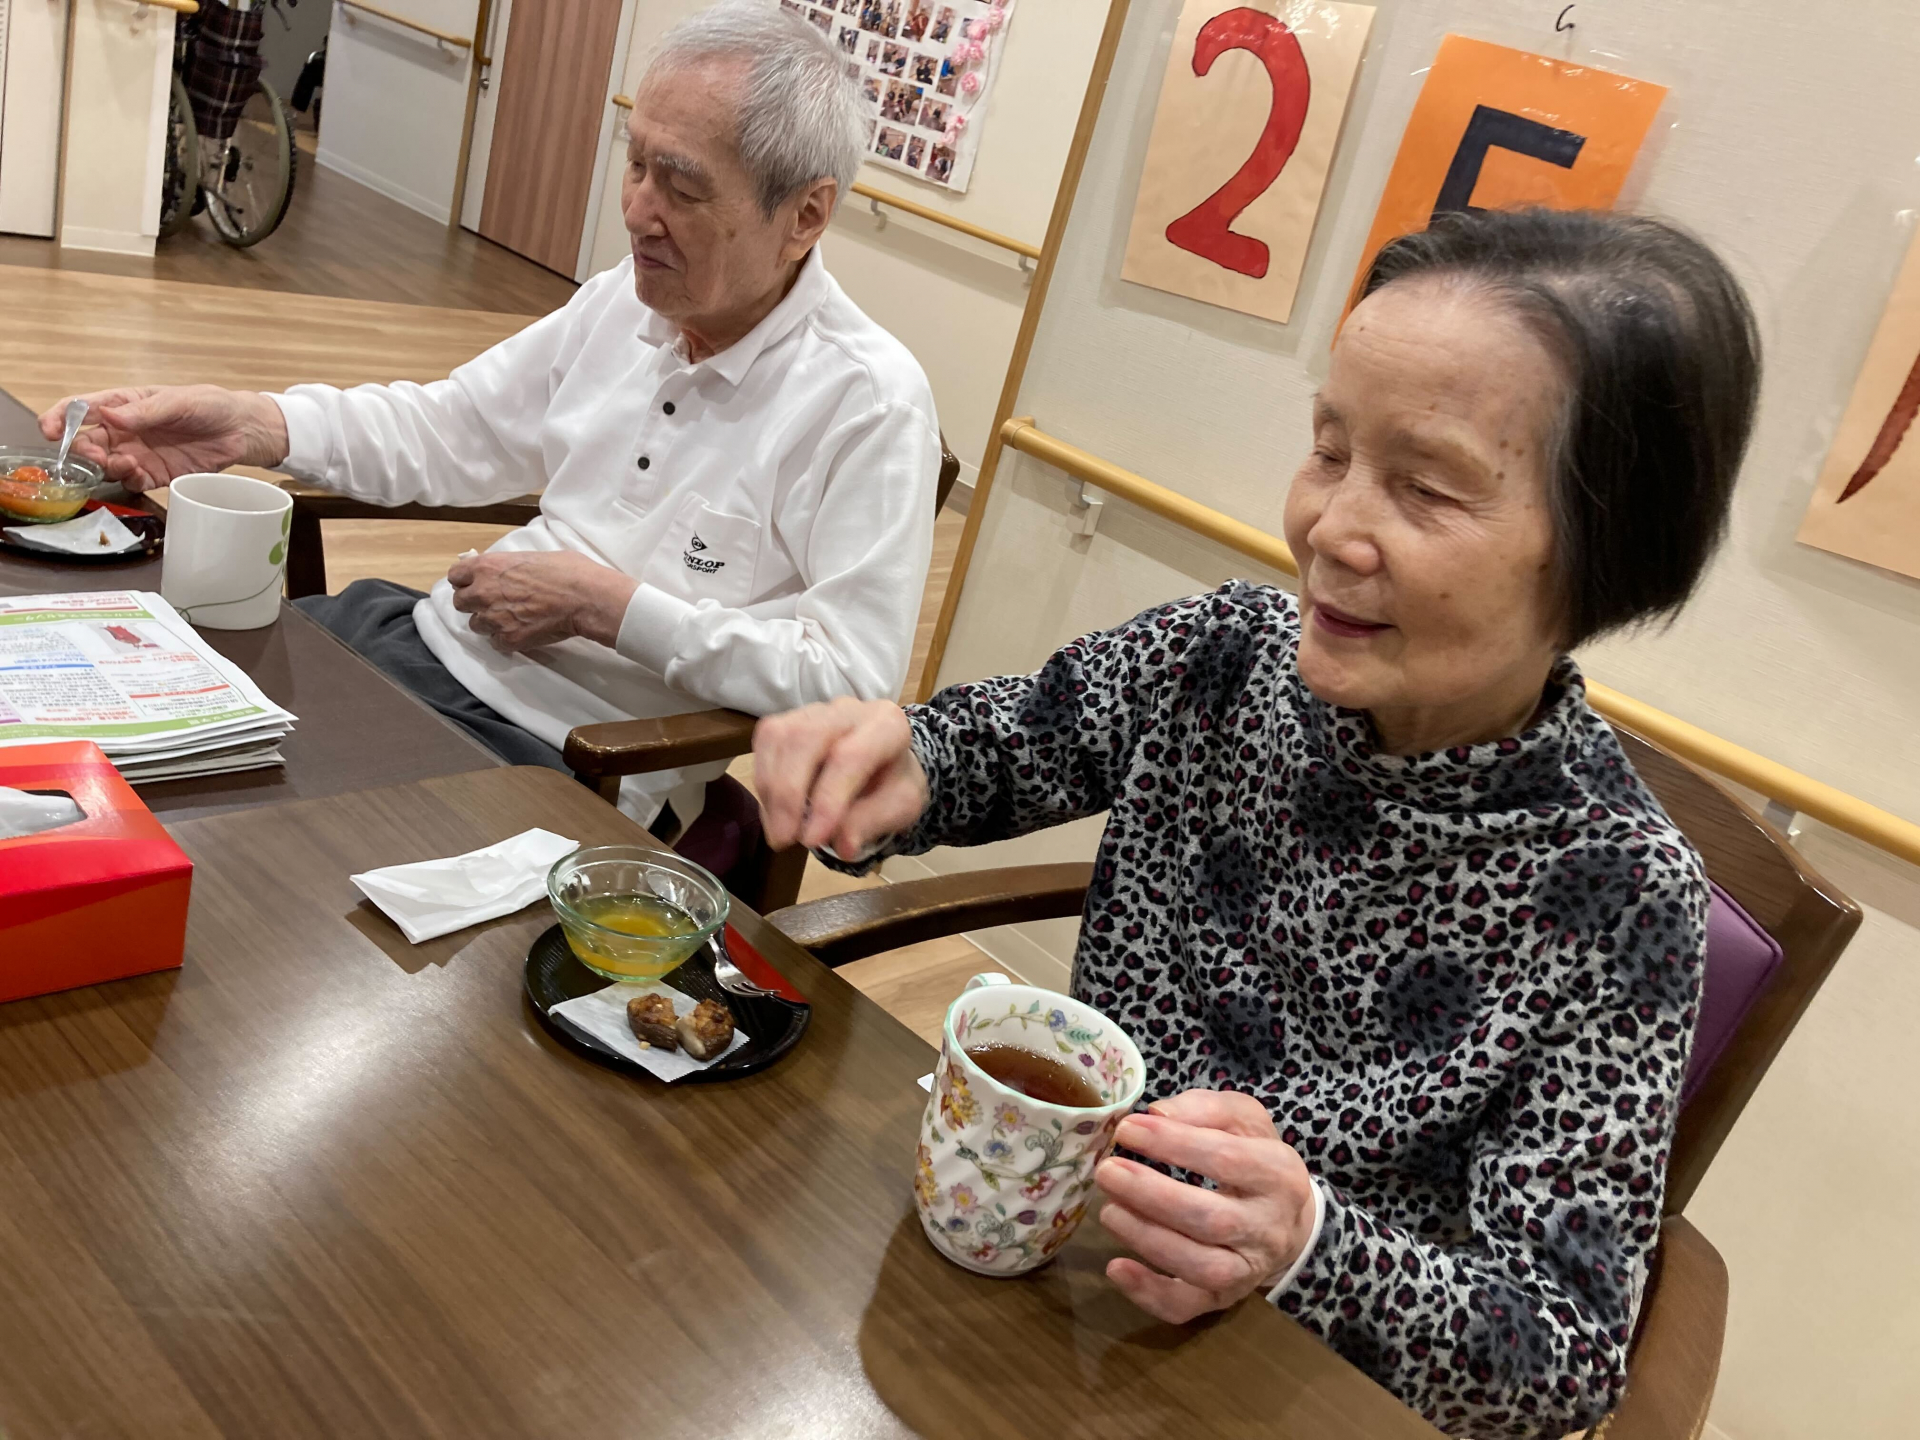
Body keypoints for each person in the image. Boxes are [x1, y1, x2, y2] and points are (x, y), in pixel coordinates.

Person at [750, 208, 1761, 1438]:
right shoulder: (1224, 655)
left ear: (1607, 555)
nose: (1329, 529)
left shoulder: (1623, 892)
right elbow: (1001, 747)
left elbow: (1557, 1352)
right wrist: (894, 761)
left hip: (1294, 1389)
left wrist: (1308, 1243)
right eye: (1329, 450)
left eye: (1425, 486)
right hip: (1065, 1283)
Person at [40, 0, 940, 837]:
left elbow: (849, 680)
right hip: (418, 641)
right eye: (635, 163)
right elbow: (450, 428)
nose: (638, 211)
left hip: (573, 757)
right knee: (112, 728)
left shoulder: (866, 401)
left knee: (233, 854)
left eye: (682, 187)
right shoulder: (622, 305)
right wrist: (251, 424)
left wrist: (608, 608)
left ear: (805, 215)